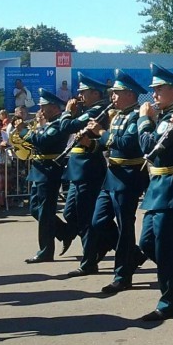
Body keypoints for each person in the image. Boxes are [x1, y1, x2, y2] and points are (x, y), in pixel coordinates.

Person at [137, 64, 173, 321]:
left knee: (165, 247)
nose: (154, 95)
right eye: (154, 90)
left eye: (159, 90)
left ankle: (169, 300)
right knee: (148, 243)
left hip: (172, 186)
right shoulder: (165, 116)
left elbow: (150, 146)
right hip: (159, 186)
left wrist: (143, 119)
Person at [84, 69, 150, 295]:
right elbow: (109, 145)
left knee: (124, 228)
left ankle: (122, 275)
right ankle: (135, 255)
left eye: (117, 93)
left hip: (129, 176)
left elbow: (127, 143)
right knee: (98, 221)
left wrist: (100, 132)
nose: (112, 97)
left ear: (130, 95)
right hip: (112, 176)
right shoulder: (118, 115)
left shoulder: (135, 117)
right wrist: (91, 139)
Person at [62, 73, 112, 277]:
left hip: (89, 168)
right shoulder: (88, 109)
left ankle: (89, 260)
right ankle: (113, 245)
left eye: (84, 92)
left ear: (94, 93)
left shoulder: (98, 110)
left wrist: (67, 113)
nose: (80, 96)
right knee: (70, 214)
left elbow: (66, 127)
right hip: (78, 168)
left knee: (85, 217)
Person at [15, 89, 73, 263]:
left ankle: (46, 250)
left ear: (54, 108)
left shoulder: (58, 124)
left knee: (46, 211)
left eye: (43, 107)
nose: (40, 110)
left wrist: (24, 132)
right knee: (35, 208)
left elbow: (42, 141)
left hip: (49, 170)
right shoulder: (47, 123)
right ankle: (64, 232)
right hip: (39, 169)